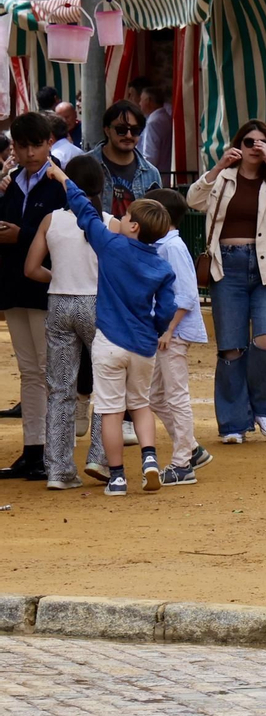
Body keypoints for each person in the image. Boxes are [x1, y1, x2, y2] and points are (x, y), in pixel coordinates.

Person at [49, 159, 177, 497]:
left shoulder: (110, 246)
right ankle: (150, 459)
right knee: (140, 405)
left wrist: (62, 177)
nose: (119, 218)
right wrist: (155, 329)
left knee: (109, 410)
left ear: (133, 227)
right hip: (142, 345)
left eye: (125, 216)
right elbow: (166, 309)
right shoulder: (161, 266)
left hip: (108, 341)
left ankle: (117, 476)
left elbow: (84, 212)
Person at [188, 120, 266, 444]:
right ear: (238, 144)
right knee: (231, 348)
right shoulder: (224, 178)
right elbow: (193, 200)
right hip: (228, 266)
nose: (255, 146)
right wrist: (218, 166)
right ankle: (232, 423)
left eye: (261, 141)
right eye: (249, 141)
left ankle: (262, 409)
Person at [23, 156, 109, 489]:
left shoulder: (51, 220)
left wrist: (57, 276)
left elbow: (31, 269)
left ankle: (58, 469)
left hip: (58, 301)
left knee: (60, 390)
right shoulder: (109, 222)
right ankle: (100, 458)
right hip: (97, 302)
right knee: (106, 386)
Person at [0, 113, 67, 481]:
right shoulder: (11, 184)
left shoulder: (59, 184)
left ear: (49, 144)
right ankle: (33, 451)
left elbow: (65, 235)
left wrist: (20, 235)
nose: (28, 153)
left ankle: (49, 452)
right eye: (21, 146)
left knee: (45, 370)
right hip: (15, 284)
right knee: (30, 371)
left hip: (47, 285)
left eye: (34, 145)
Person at [145, 188, 211, 485]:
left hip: (173, 332)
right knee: (156, 397)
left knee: (174, 396)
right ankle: (192, 448)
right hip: (166, 331)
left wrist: (170, 330)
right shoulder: (163, 243)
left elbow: (186, 294)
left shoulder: (171, 247)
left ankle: (183, 461)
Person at [90, 101, 162, 216]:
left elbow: (155, 220)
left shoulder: (151, 173)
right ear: (107, 130)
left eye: (135, 130)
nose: (128, 135)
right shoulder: (86, 165)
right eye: (121, 130)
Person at [138, 86, 173, 178]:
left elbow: (150, 155)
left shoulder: (153, 122)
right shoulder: (166, 118)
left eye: (141, 100)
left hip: (156, 176)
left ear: (148, 101)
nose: (139, 103)